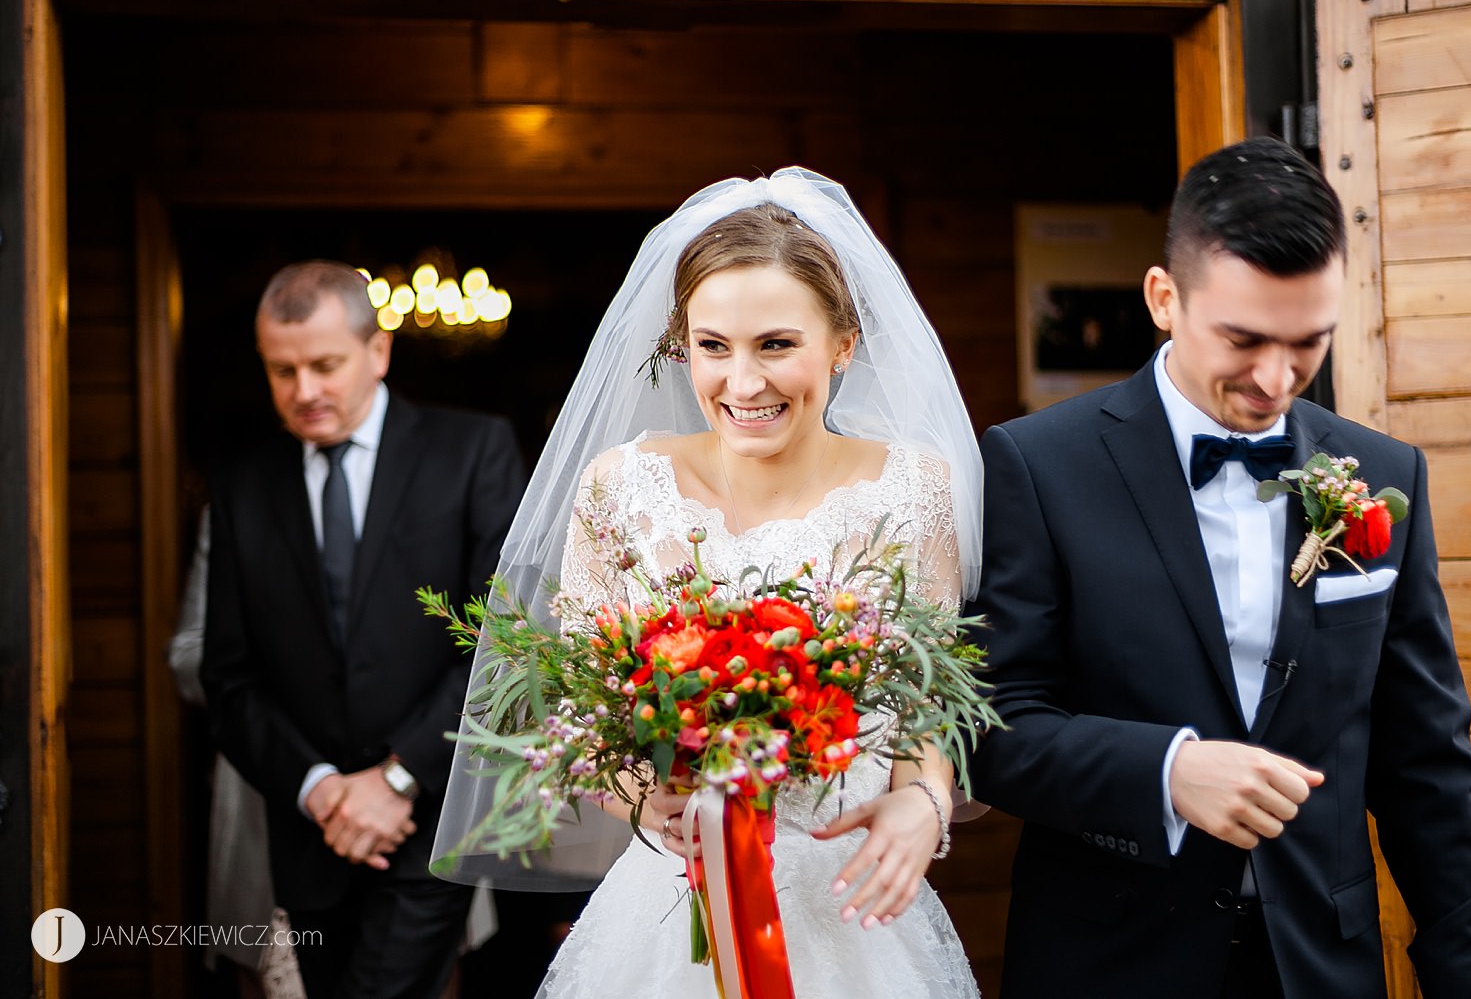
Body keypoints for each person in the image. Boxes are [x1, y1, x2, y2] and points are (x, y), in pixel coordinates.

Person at [967, 136, 1471, 997]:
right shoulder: (1038, 465)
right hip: (1111, 962)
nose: (1276, 377)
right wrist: (1167, 770)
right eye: (1244, 338)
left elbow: (1426, 765)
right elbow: (993, 727)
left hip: (1321, 964)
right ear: (1163, 297)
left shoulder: (1384, 477)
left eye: (1309, 341)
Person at [432, 168, 985, 997]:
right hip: (670, 916)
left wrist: (924, 806)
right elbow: (587, 717)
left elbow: (927, 713)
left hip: (855, 913)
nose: (744, 382)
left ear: (842, 343)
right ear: (680, 344)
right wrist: (637, 795)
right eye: (713, 346)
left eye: (776, 344)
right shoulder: (620, 488)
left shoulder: (914, 492)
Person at [200, 260, 527, 999]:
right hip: (310, 838)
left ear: (377, 351)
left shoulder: (473, 451)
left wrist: (398, 776)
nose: (304, 390)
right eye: (282, 371)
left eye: (324, 365)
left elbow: (504, 642)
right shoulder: (244, 485)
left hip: (429, 822)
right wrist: (319, 790)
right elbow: (228, 675)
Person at [167, 507, 307, 999]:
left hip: (404, 793)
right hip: (266, 793)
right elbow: (188, 656)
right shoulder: (238, 505)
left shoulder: (442, 473)